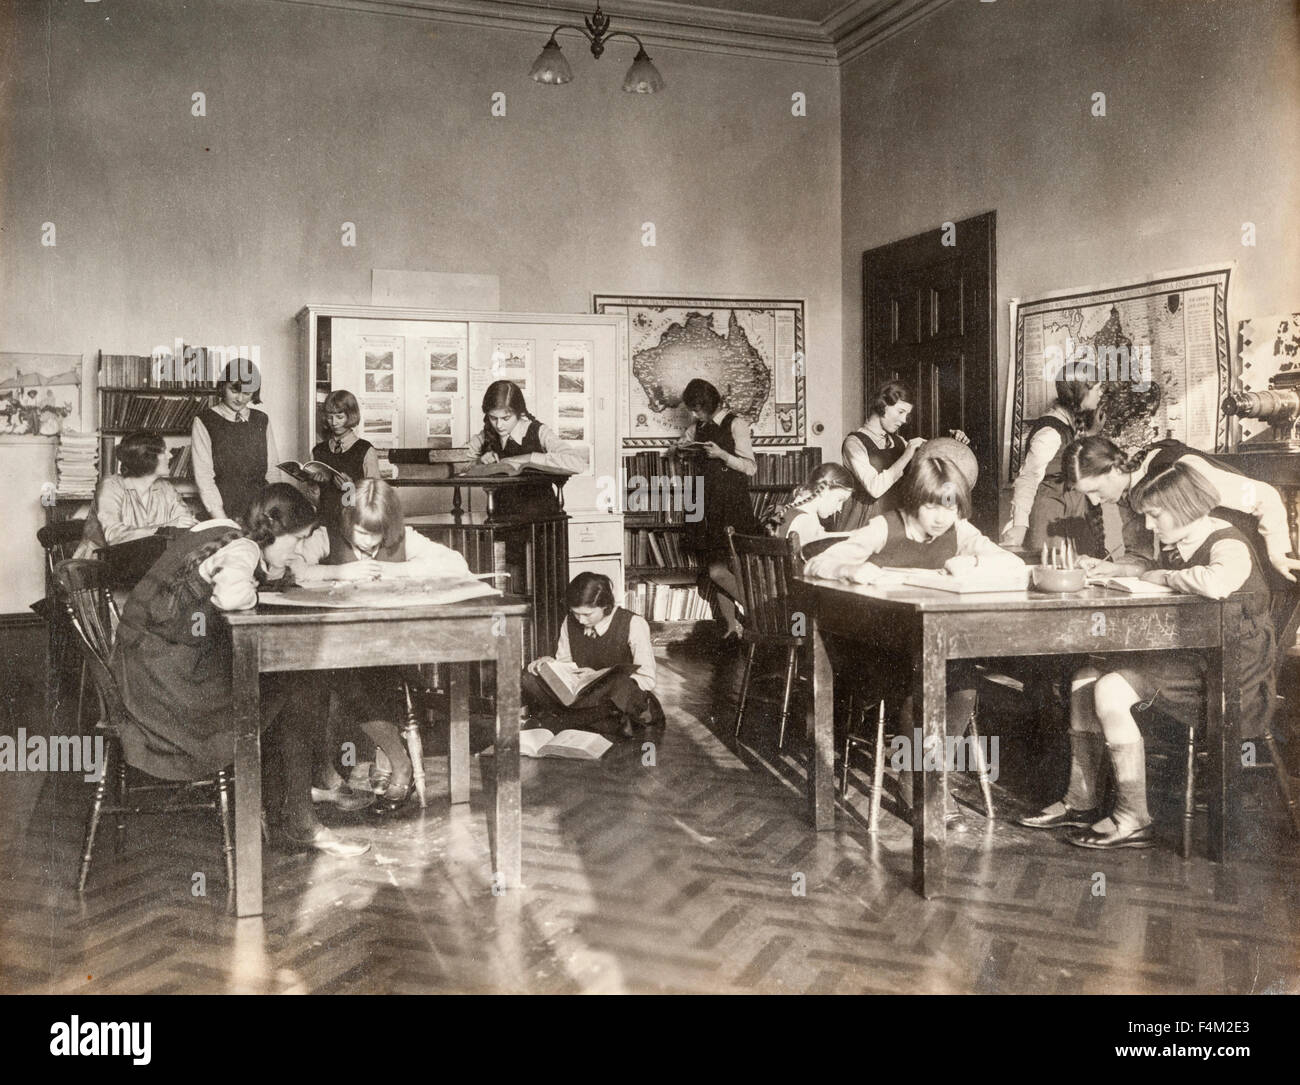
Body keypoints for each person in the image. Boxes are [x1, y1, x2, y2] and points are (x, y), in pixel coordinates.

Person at [1019, 462, 1277, 849]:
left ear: (1185, 506)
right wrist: (1132, 571)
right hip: (1195, 658)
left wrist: (1164, 578)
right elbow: (1151, 568)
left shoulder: (1228, 542)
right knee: (1084, 677)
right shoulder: (1182, 542)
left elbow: (1217, 582)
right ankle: (1081, 799)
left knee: (1109, 690)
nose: (1151, 525)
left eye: (1156, 515)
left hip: (1233, 671)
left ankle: (1132, 817)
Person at [108, 484, 369, 857]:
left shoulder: (216, 528)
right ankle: (299, 817)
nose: (297, 549)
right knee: (300, 683)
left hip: (142, 670)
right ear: (274, 528)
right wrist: (257, 590)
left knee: (291, 681)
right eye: (296, 540)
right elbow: (231, 597)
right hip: (167, 689)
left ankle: (289, 797)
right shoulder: (244, 548)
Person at [806, 456, 1025, 820]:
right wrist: (851, 569)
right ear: (914, 500)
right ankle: (917, 784)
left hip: (930, 647)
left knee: (964, 685)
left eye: (950, 507)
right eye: (931, 506)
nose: (941, 517)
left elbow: (1012, 564)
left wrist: (970, 563)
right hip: (874, 649)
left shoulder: (960, 531)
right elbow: (817, 562)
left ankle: (923, 778)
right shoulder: (884, 527)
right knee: (917, 683)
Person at [293, 479, 475, 808]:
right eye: (359, 533)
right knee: (341, 679)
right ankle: (395, 762)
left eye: (374, 534)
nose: (366, 542)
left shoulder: (404, 539)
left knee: (369, 677)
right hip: (339, 645)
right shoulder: (327, 536)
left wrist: (396, 572)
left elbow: (456, 564)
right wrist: (342, 572)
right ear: (348, 522)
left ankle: (387, 763)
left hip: (392, 644)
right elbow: (291, 568)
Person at [1063, 435, 1299, 586]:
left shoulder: (1180, 470)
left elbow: (1265, 496)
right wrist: (1114, 569)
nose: (1094, 501)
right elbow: (1142, 557)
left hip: (1249, 567)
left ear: (1114, 469)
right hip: (1197, 579)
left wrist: (1278, 554)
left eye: (1095, 489)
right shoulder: (1126, 494)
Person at [522, 572, 664, 737]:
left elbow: (646, 679)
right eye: (576, 613)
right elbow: (566, 663)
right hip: (582, 695)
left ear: (605, 606)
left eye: (587, 614)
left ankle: (559, 722)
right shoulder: (569, 622)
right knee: (529, 676)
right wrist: (550, 664)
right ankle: (597, 722)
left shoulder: (634, 623)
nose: (581, 620)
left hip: (615, 695)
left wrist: (599, 675)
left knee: (622, 684)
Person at [674, 378, 760, 643]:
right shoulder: (698, 425)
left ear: (709, 405)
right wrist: (681, 448)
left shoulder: (736, 423)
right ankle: (732, 627)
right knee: (719, 570)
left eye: (697, 409)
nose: (693, 414)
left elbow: (751, 467)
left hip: (731, 504)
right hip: (705, 502)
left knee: (719, 571)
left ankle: (762, 613)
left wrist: (723, 455)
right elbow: (683, 443)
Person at [75, 431, 197, 585]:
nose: (170, 456)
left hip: (145, 567)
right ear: (146, 458)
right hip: (99, 571)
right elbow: (114, 536)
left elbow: (185, 524)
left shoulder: (166, 488)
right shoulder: (111, 486)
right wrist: (165, 527)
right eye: (163, 451)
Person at [1002, 371, 1104, 551]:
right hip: (1049, 513)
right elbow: (1028, 478)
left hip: (1072, 510)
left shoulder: (1068, 423)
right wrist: (1019, 524)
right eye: (1097, 388)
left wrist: (1091, 434)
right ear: (1083, 391)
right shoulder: (1050, 432)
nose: (1101, 393)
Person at [191, 358, 288, 523]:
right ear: (223, 386)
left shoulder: (261, 420)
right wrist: (223, 521)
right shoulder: (204, 420)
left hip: (261, 510)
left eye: (247, 393)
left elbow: (272, 471)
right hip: (222, 511)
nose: (240, 399)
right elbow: (204, 477)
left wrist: (275, 512)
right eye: (234, 390)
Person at [310, 388, 380, 534]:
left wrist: (351, 488)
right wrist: (315, 488)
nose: (334, 422)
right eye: (329, 417)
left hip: (355, 526)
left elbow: (375, 500)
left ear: (351, 415)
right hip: (323, 526)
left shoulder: (365, 450)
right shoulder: (318, 451)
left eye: (339, 417)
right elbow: (315, 501)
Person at [774, 462, 855, 559]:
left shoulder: (787, 511)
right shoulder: (807, 521)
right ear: (824, 491)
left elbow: (818, 536)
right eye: (839, 500)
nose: (840, 508)